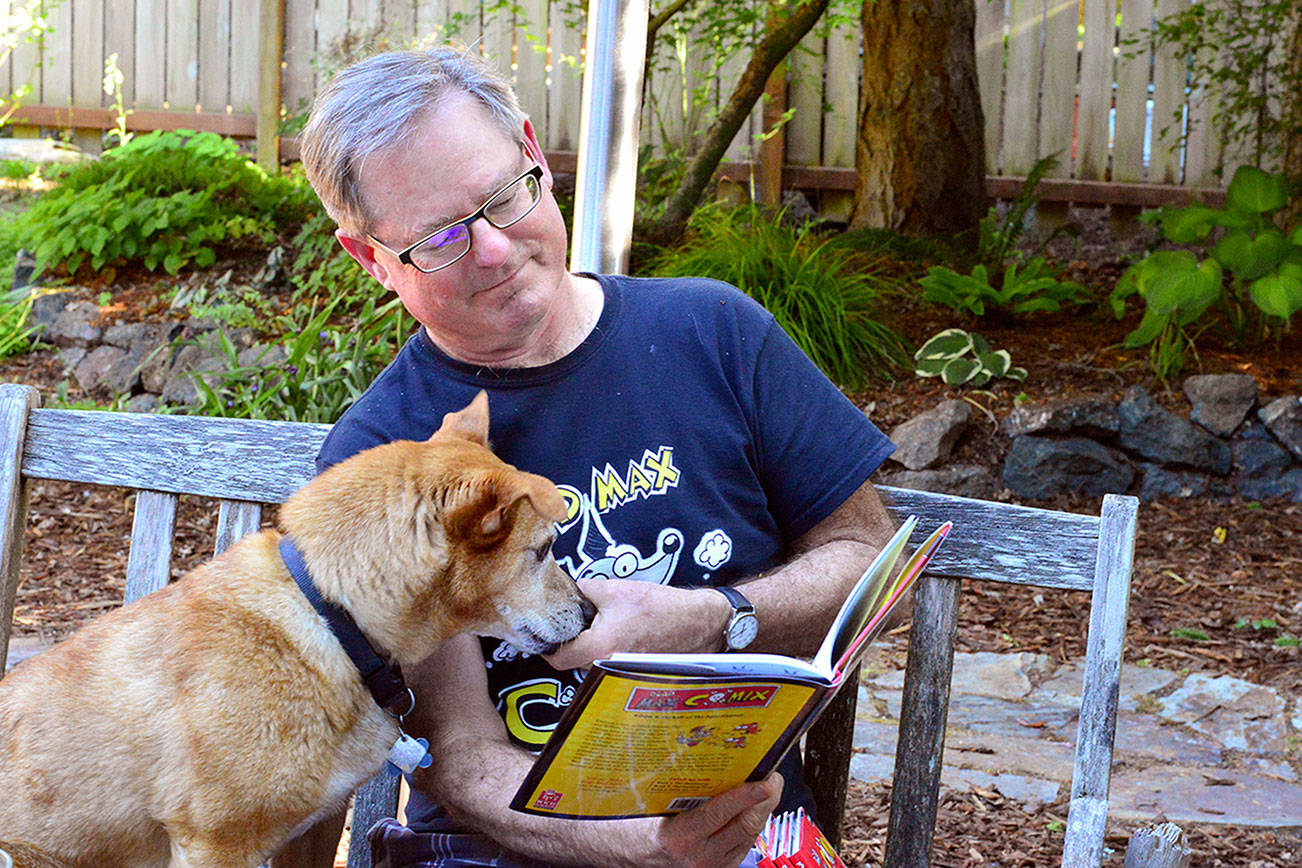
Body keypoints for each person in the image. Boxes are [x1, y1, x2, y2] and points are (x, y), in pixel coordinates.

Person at [294, 45, 898, 868]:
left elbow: (869, 560)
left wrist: (713, 616)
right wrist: (642, 846)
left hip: (749, 841)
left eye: (505, 198)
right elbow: (463, 758)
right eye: (438, 239)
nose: (495, 251)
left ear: (536, 155)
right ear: (369, 259)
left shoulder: (714, 334)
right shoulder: (379, 462)